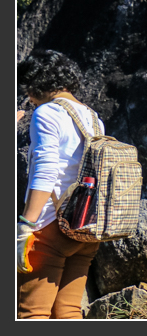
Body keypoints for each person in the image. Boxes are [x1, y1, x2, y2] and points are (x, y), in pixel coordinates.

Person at [16, 50, 104, 319]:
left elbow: (46, 171)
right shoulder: (93, 118)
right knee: (68, 311)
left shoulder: (46, 113)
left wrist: (25, 227)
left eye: (28, 89)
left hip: (50, 228)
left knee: (33, 314)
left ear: (38, 82)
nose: (29, 98)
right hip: (87, 226)